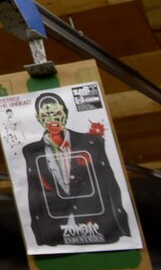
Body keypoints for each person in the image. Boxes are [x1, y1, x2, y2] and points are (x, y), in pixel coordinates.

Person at [21, 92, 131, 248]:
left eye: (57, 113)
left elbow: (108, 182)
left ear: (65, 114)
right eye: (45, 115)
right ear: (39, 119)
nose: (52, 119)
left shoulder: (91, 142)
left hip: (99, 226)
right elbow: (34, 192)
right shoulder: (31, 152)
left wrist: (121, 224)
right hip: (56, 232)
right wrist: (39, 234)